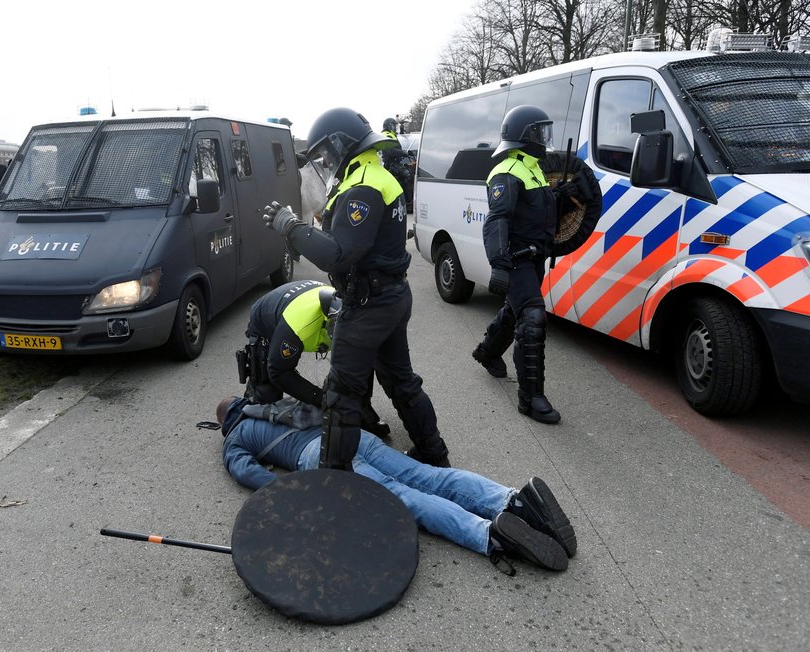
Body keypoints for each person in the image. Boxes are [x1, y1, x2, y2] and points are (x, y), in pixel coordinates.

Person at [262, 107, 450, 470]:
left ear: (338, 145)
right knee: (400, 380)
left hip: (367, 305)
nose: (323, 161)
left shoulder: (361, 187)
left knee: (342, 394)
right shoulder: (375, 174)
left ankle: (334, 475)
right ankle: (433, 451)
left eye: (324, 154)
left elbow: (337, 255)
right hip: (389, 296)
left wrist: (291, 227)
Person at [217, 396, 577, 571]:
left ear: (223, 423)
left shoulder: (236, 435)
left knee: (406, 498)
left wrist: (285, 489)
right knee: (430, 476)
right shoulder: (268, 404)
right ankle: (512, 499)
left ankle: (488, 534)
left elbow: (245, 471)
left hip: (320, 458)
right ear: (241, 402)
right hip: (351, 436)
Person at [472, 105, 568, 425]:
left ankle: (487, 351)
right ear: (526, 135)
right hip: (516, 258)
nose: (545, 137)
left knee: (515, 311)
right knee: (532, 317)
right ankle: (531, 398)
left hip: (535, 256)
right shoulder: (505, 171)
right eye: (541, 131)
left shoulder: (533, 168)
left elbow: (537, 212)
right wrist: (499, 264)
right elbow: (497, 219)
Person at [240, 279, 390, 437]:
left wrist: (359, 404)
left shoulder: (360, 318)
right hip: (269, 316)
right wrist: (322, 400)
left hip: (307, 297)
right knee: (268, 397)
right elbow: (279, 372)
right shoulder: (299, 325)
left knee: (362, 358)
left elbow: (363, 361)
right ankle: (252, 400)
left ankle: (362, 409)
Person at [379, 117, 415, 212]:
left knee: (409, 174)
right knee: (407, 176)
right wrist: (402, 153)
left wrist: (408, 153)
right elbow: (389, 151)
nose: (396, 128)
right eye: (394, 126)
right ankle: (408, 204)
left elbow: (396, 150)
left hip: (395, 163)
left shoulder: (391, 135)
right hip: (390, 165)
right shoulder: (386, 135)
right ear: (389, 126)